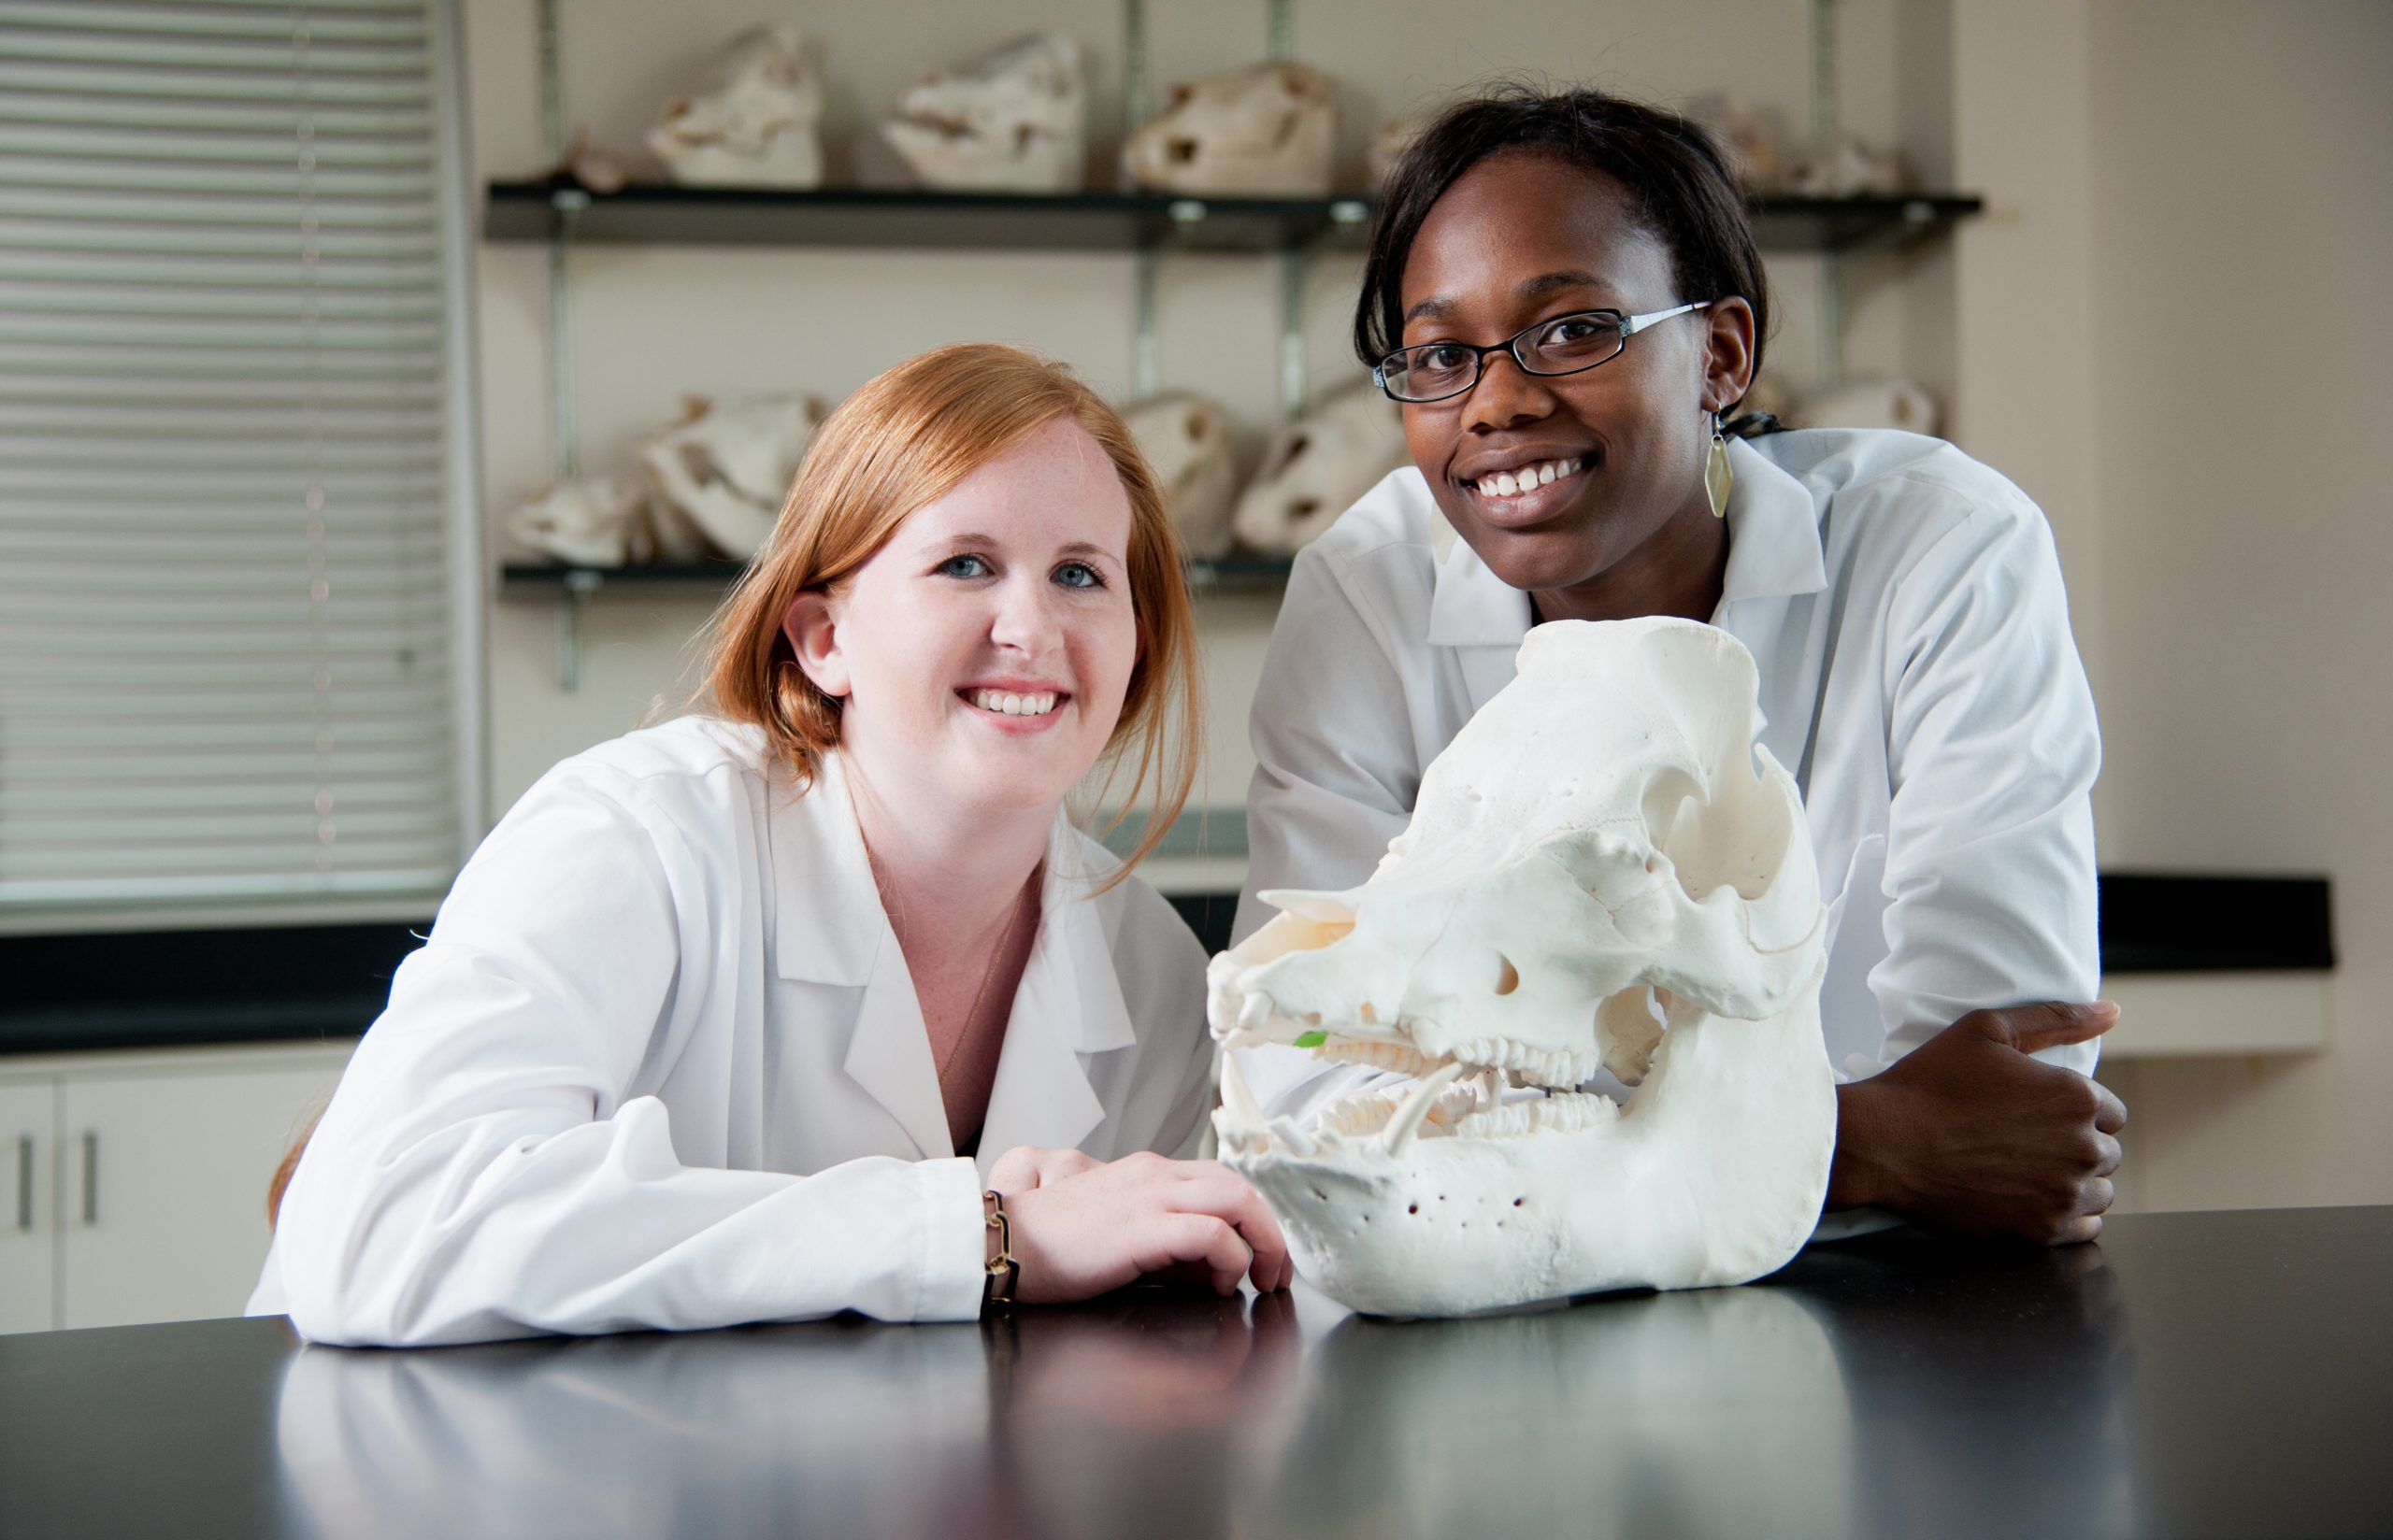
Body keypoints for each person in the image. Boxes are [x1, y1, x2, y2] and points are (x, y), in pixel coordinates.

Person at [254, 343, 1290, 1346]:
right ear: (823, 640)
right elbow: (377, 1233)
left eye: (1081, 575)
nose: (1031, 625)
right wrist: (977, 1232)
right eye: (965, 563)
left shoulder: (1148, 975)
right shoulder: (638, 836)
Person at [1236, 89, 2126, 1246]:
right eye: (1441, 354)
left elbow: (2004, 1089)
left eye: (1572, 330)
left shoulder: (1943, 549)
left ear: (1720, 353)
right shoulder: (1365, 595)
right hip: (1513, 1350)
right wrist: (1864, 1144)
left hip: (1908, 1312)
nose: (1496, 401)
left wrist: (1535, 1137)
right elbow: (1312, 1102)